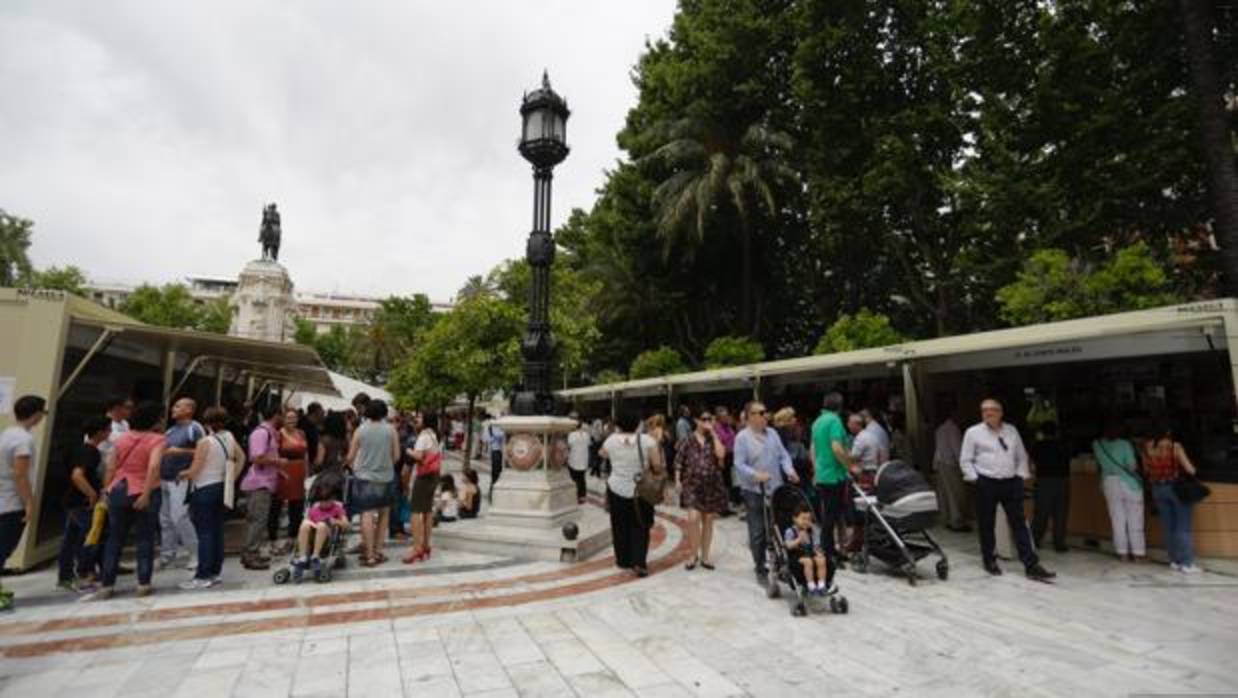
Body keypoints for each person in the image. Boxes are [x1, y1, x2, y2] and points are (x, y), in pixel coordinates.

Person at [960, 398, 1055, 580]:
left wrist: (1020, 476)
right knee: (987, 524)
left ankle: (1031, 564)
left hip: (1010, 483)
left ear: (1000, 413)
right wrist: (976, 479)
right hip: (986, 482)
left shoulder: (1011, 431)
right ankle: (989, 560)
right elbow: (965, 459)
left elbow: (1021, 455)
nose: (988, 413)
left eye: (992, 410)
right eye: (984, 410)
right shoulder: (973, 433)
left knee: (1019, 524)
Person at [96, 401, 166, 599]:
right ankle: (143, 583)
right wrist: (145, 494)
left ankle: (107, 585)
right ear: (154, 420)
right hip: (145, 490)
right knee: (145, 538)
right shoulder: (157, 440)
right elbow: (153, 467)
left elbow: (110, 467)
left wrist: (105, 491)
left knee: (115, 538)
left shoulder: (121, 439)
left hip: (118, 489)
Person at [734, 401, 799, 585]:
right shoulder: (742, 438)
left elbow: (783, 455)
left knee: (779, 526)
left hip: (776, 489)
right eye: (760, 413)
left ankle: (780, 561)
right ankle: (760, 567)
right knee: (758, 531)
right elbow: (739, 464)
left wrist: (789, 470)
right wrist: (756, 474)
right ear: (750, 417)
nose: (765, 416)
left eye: (765, 412)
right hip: (754, 490)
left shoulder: (773, 434)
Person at [177, 406, 242, 589]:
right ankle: (215, 573)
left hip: (204, 489)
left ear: (206, 423)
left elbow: (195, 470)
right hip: (221, 488)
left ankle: (202, 575)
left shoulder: (205, 442)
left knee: (204, 533)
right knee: (217, 531)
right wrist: (230, 479)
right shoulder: (229, 437)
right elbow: (242, 458)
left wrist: (182, 473)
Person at [600, 410, 662, 578]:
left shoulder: (611, 440)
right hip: (640, 490)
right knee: (640, 525)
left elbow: (602, 453)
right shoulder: (648, 441)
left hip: (616, 488)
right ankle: (639, 562)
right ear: (638, 423)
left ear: (618, 424)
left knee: (619, 525)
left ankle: (623, 560)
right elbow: (657, 465)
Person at [1, 395, 46, 610]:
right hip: (11, 503)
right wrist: (29, 503)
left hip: (4, 499)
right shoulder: (23, 440)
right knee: (4, 548)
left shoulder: (8, 433)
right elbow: (21, 474)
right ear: (36, 414)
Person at [58, 416, 109, 592]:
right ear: (101, 432)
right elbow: (77, 475)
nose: (109, 433)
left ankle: (65, 576)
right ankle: (85, 573)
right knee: (90, 536)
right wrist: (92, 494)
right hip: (82, 501)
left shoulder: (76, 448)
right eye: (108, 429)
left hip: (70, 499)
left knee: (70, 539)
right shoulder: (90, 452)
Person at [347, 400, 399, 567]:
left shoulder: (360, 430)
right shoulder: (391, 430)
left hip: (364, 478)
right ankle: (378, 551)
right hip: (386, 477)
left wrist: (353, 466)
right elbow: (397, 456)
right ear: (384, 412)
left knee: (366, 514)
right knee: (384, 514)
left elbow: (351, 456)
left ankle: (369, 555)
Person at [1143, 426, 1202, 573]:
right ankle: (1187, 563)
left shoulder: (1147, 447)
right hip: (1176, 489)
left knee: (1168, 527)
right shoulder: (1174, 446)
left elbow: (1147, 471)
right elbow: (1190, 469)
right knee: (1183, 526)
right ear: (1168, 432)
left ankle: (1174, 561)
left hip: (1157, 489)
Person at [810, 392, 853, 594]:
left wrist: (816, 470)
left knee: (827, 516)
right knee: (832, 517)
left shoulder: (817, 422)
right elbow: (836, 447)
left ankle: (830, 551)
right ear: (840, 406)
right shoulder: (835, 420)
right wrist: (849, 465)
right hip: (834, 476)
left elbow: (813, 448)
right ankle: (829, 554)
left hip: (822, 475)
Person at [674, 409, 727, 571]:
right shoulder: (688, 440)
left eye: (710, 419)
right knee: (693, 518)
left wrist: (715, 434)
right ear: (696, 421)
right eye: (704, 419)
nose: (707, 422)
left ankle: (705, 556)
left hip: (711, 485)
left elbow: (721, 455)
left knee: (708, 519)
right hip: (692, 484)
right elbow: (678, 461)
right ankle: (692, 554)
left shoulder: (713, 439)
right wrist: (677, 480)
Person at [158, 397, 202, 571]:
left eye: (178, 406)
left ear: (189, 410)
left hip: (181, 479)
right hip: (164, 478)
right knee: (165, 519)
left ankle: (195, 554)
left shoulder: (195, 428)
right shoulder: (170, 430)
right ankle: (167, 554)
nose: (173, 409)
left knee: (180, 517)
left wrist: (181, 451)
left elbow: (204, 451)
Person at [240, 403, 283, 570]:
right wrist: (278, 461)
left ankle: (252, 553)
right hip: (259, 483)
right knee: (257, 520)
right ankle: (251, 554)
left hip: (266, 483)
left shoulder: (270, 433)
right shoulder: (261, 433)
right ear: (275, 415)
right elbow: (256, 458)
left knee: (258, 520)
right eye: (282, 415)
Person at [292, 472, 349, 583]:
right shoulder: (314, 509)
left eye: (327, 501)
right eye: (321, 501)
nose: (324, 504)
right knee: (304, 524)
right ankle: (302, 556)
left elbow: (346, 525)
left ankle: (315, 556)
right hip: (312, 537)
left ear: (332, 499)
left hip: (327, 538)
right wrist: (310, 523)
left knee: (322, 525)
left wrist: (335, 521)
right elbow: (307, 522)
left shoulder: (337, 508)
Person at [404, 412, 442, 564]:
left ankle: (416, 548)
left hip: (424, 476)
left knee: (415, 511)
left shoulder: (423, 436)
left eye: (420, 417)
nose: (417, 419)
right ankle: (426, 545)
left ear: (426, 420)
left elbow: (419, 457)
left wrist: (408, 451)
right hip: (434, 475)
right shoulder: (434, 435)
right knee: (427, 511)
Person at [270, 407, 309, 552]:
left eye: (294, 418)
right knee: (277, 505)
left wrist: (307, 472)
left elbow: (306, 454)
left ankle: (293, 538)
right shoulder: (278, 434)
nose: (292, 420)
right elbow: (273, 453)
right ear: (283, 419)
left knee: (297, 506)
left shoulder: (301, 433)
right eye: (289, 418)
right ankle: (272, 539)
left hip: (299, 470)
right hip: (283, 471)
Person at [1031, 421, 1072, 554]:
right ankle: (1059, 543)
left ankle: (1035, 540)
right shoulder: (1064, 445)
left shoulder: (1038, 446)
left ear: (1042, 432)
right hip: (1062, 482)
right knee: (1060, 513)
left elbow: (1032, 461)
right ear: (1056, 432)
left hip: (1043, 481)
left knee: (1041, 512)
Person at [933, 410, 970, 532]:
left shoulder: (940, 429)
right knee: (954, 493)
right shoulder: (953, 429)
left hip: (940, 463)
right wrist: (964, 468)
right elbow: (957, 449)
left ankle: (946, 519)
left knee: (944, 494)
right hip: (949, 464)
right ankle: (956, 521)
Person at [784, 502, 829, 596]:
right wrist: (798, 540)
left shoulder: (812, 530)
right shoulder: (790, 531)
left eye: (809, 519)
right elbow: (788, 545)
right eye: (803, 519)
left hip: (810, 552)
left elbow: (816, 544)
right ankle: (811, 586)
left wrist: (818, 551)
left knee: (822, 559)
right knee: (808, 561)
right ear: (795, 519)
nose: (806, 521)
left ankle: (821, 585)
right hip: (796, 555)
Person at [567, 415, 591, 504]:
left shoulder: (571, 435)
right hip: (584, 460)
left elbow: (569, 446)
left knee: (574, 479)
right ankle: (582, 496)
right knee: (582, 479)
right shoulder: (586, 435)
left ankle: (574, 495)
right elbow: (588, 445)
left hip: (574, 460)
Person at [316, 411, 348, 476]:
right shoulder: (344, 440)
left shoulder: (324, 440)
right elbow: (346, 457)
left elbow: (319, 461)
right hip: (340, 473)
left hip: (326, 474)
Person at [482, 415, 505, 502]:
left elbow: (485, 439)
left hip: (497, 451)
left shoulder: (490, 427)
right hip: (496, 451)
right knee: (496, 473)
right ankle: (493, 493)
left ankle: (493, 493)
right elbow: (498, 436)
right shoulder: (493, 427)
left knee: (496, 473)